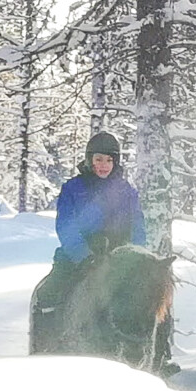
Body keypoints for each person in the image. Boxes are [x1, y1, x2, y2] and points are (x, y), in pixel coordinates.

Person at [30, 132, 150, 355]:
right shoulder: (73, 189)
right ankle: (45, 349)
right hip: (77, 258)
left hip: (120, 258)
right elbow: (66, 226)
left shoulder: (127, 192)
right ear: (89, 160)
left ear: (115, 162)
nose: (103, 165)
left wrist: (135, 255)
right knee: (49, 294)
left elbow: (138, 226)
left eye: (109, 160)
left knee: (152, 297)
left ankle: (161, 355)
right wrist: (84, 255)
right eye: (98, 159)